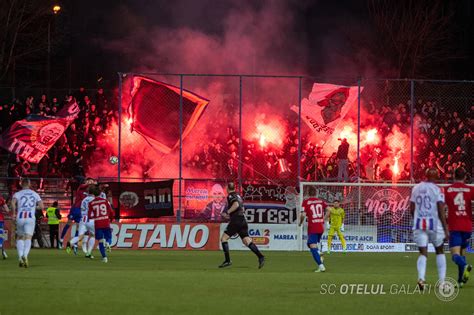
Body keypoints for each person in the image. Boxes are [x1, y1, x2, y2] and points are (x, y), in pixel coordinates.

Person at [410, 168, 449, 291]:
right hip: (434, 225)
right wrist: (445, 228)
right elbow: (440, 210)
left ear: (425, 175)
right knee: (440, 250)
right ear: (437, 176)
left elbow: (411, 208)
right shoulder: (437, 189)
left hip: (419, 224)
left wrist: (416, 218)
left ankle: (421, 278)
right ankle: (442, 282)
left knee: (423, 252)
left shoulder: (415, 188)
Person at [219, 182, 265, 269]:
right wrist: (231, 215)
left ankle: (228, 261)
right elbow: (242, 208)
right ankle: (260, 256)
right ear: (234, 188)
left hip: (236, 221)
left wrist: (227, 212)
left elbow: (236, 205)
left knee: (223, 239)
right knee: (247, 241)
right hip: (243, 220)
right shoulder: (238, 196)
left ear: (227, 189)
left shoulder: (230, 196)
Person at [444, 167, 472, 287]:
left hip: (455, 225)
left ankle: (466, 266)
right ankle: (460, 281)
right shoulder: (470, 189)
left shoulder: (447, 190)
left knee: (455, 256)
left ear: (453, 176)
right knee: (462, 253)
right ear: (465, 177)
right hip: (467, 226)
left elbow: (441, 205)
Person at [11, 178, 44, 268]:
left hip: (20, 216)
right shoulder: (35, 194)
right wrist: (34, 207)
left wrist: (13, 213)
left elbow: (13, 203)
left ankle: (20, 258)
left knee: (20, 237)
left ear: (21, 184)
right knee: (28, 237)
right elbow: (41, 206)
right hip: (30, 217)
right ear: (29, 184)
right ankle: (25, 256)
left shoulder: (17, 194)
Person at [60, 177, 96, 248]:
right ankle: (61, 239)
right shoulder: (81, 187)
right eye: (89, 181)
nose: (90, 183)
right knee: (69, 223)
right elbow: (85, 185)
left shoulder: (90, 192)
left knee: (79, 227)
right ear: (86, 181)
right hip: (75, 208)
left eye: (91, 182)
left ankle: (75, 244)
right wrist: (90, 183)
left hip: (81, 211)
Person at [299, 187, 327, 272]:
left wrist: (300, 222)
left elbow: (303, 215)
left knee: (312, 245)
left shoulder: (306, 202)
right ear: (316, 193)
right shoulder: (321, 201)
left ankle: (321, 266)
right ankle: (318, 253)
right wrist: (323, 219)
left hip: (313, 227)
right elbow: (329, 210)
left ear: (308, 194)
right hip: (320, 227)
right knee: (310, 244)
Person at [88, 185, 114, 263]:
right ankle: (108, 244)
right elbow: (111, 212)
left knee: (100, 241)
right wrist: (111, 219)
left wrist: (93, 218)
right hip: (106, 222)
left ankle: (104, 258)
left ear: (93, 194)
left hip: (98, 223)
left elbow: (89, 215)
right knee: (109, 237)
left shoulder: (91, 203)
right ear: (100, 193)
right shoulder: (105, 201)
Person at [67, 187, 95, 258]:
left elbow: (82, 209)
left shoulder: (84, 200)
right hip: (90, 219)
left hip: (82, 219)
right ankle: (88, 253)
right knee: (92, 235)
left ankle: (71, 242)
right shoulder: (94, 199)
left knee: (80, 236)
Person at [0, 194, 10, 259]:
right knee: (1, 235)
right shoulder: (1, 199)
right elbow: (7, 210)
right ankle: (3, 251)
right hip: (0, 219)